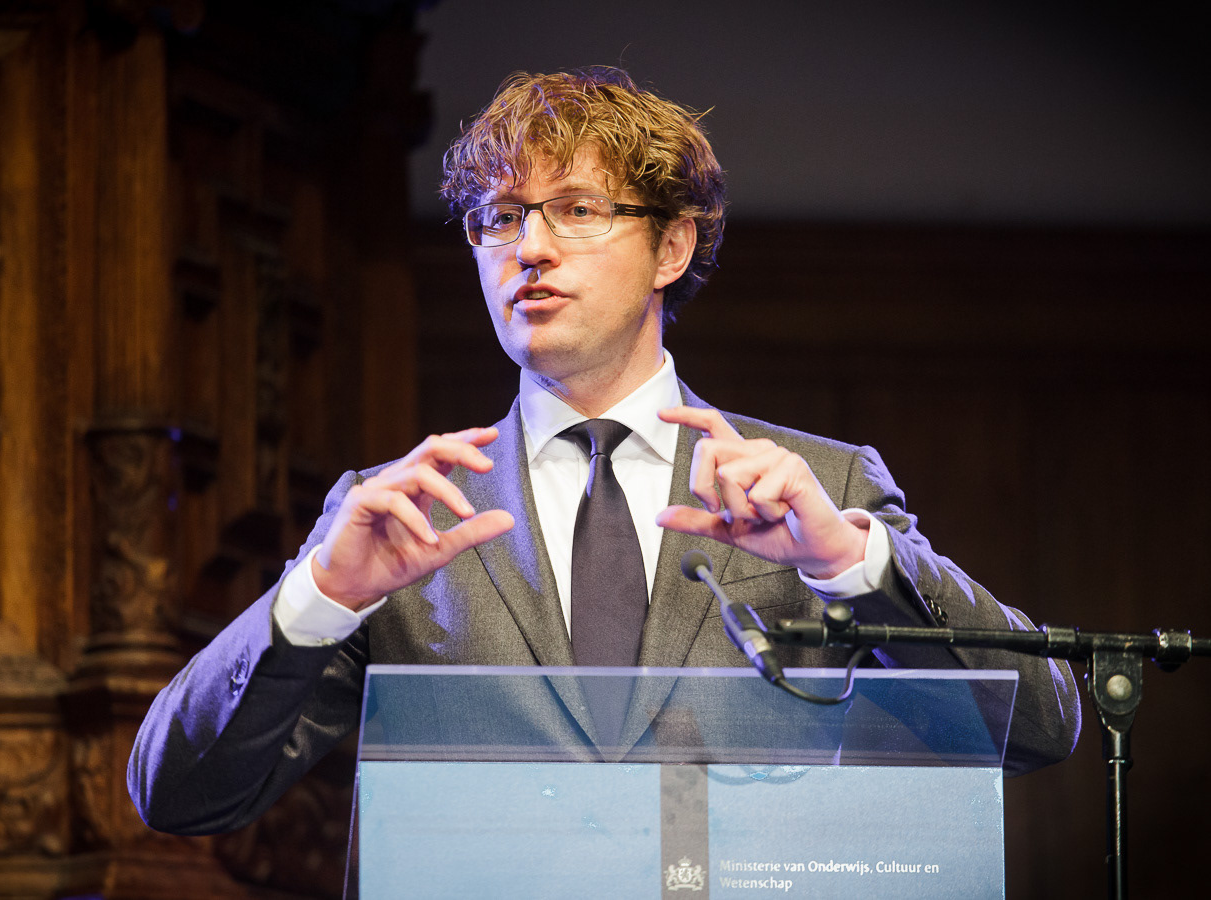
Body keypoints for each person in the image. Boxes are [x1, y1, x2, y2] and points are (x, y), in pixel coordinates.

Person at [128, 67, 1081, 836]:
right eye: (500, 216)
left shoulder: (821, 491)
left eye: (578, 210)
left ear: (671, 248)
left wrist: (850, 564)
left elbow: (1039, 727)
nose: (530, 248)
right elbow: (180, 796)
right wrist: (321, 597)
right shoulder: (398, 515)